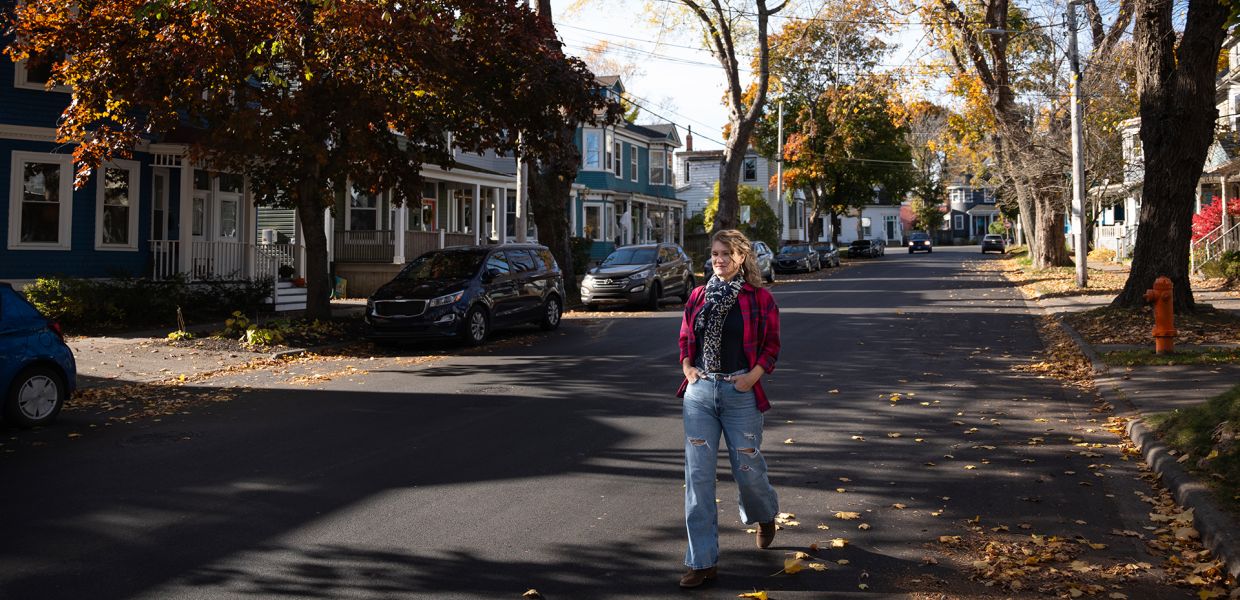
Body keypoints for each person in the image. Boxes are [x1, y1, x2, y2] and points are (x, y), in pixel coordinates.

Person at [675, 229, 781, 589]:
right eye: (715, 253)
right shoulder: (698, 295)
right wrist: (687, 367)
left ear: (741, 257)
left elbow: (771, 346)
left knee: (748, 470)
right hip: (700, 394)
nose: (718, 259)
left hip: (740, 394)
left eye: (726, 253)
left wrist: (751, 377)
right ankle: (702, 561)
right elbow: (686, 336)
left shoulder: (759, 299)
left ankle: (764, 514)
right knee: (698, 478)